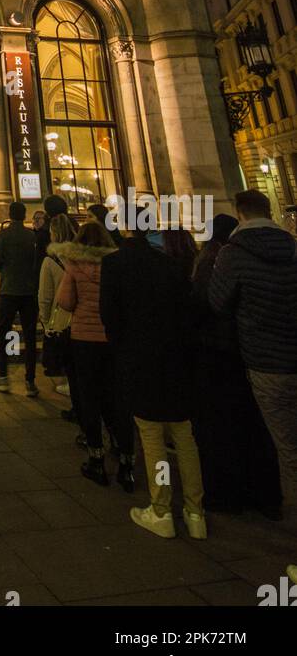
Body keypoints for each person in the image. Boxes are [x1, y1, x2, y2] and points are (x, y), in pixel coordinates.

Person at [100, 223, 205, 538]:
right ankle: (195, 512)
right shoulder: (171, 265)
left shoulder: (115, 263)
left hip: (140, 359)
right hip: (176, 359)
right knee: (185, 436)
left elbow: (110, 315)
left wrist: (122, 350)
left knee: (151, 435)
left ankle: (161, 509)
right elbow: (189, 312)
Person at [208, 189, 297, 562]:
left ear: (240, 213)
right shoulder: (293, 248)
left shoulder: (235, 254)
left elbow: (216, 302)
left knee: (288, 452)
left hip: (263, 361)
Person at [191, 213, 281, 516]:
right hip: (258, 353)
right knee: (259, 428)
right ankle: (267, 495)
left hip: (221, 353)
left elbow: (208, 306)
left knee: (225, 426)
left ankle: (228, 493)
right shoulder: (284, 254)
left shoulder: (215, 262)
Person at [56, 220, 134, 490]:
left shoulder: (76, 265)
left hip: (84, 339)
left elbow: (65, 301)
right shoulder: (119, 264)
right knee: (117, 398)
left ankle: (96, 458)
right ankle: (126, 461)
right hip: (114, 339)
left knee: (89, 398)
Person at [0, 202, 39, 396]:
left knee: (4, 332)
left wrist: (6, 273)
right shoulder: (31, 236)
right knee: (30, 335)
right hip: (28, 292)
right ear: (25, 214)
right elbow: (36, 261)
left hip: (9, 290)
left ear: (9, 214)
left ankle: (3, 376)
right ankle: (30, 380)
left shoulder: (4, 235)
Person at [38, 211, 80, 421]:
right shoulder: (87, 257)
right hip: (82, 322)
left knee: (72, 368)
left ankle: (80, 409)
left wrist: (46, 324)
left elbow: (45, 297)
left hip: (63, 321)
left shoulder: (51, 261)